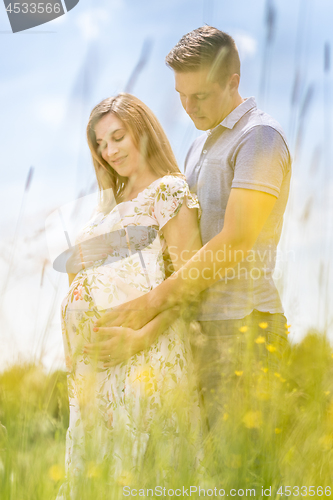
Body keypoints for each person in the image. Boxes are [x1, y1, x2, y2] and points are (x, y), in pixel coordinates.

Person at [85, 26, 292, 435]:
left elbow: (234, 241)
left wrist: (149, 303)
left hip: (245, 330)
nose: (188, 107)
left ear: (233, 82)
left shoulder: (259, 138)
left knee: (246, 478)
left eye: (199, 96)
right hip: (198, 331)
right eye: (181, 95)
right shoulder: (201, 144)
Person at [56, 93, 203, 498]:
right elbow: (80, 272)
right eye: (101, 144)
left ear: (141, 129)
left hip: (145, 356)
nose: (110, 151)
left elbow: (190, 284)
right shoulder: (107, 205)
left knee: (144, 474)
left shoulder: (169, 191)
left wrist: (141, 337)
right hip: (95, 373)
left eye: (117, 137)